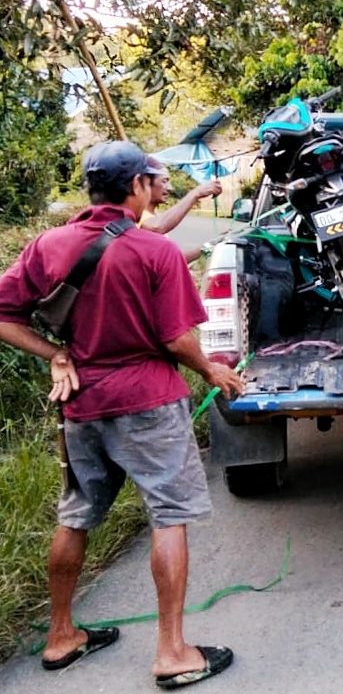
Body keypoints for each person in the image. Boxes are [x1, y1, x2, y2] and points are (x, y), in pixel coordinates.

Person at [0, 141, 244, 686]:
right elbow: (177, 339)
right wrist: (212, 370)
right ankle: (172, 652)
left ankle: (61, 636)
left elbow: (5, 315)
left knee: (75, 516)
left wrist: (56, 353)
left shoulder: (47, 245)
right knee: (168, 516)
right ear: (137, 185)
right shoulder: (154, 251)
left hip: (82, 403)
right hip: (148, 402)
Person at [141, 158, 224, 264]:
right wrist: (196, 193)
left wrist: (211, 244)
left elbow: (173, 261)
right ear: (146, 183)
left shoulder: (154, 216)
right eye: (164, 181)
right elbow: (157, 227)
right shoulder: (138, 216)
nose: (170, 188)